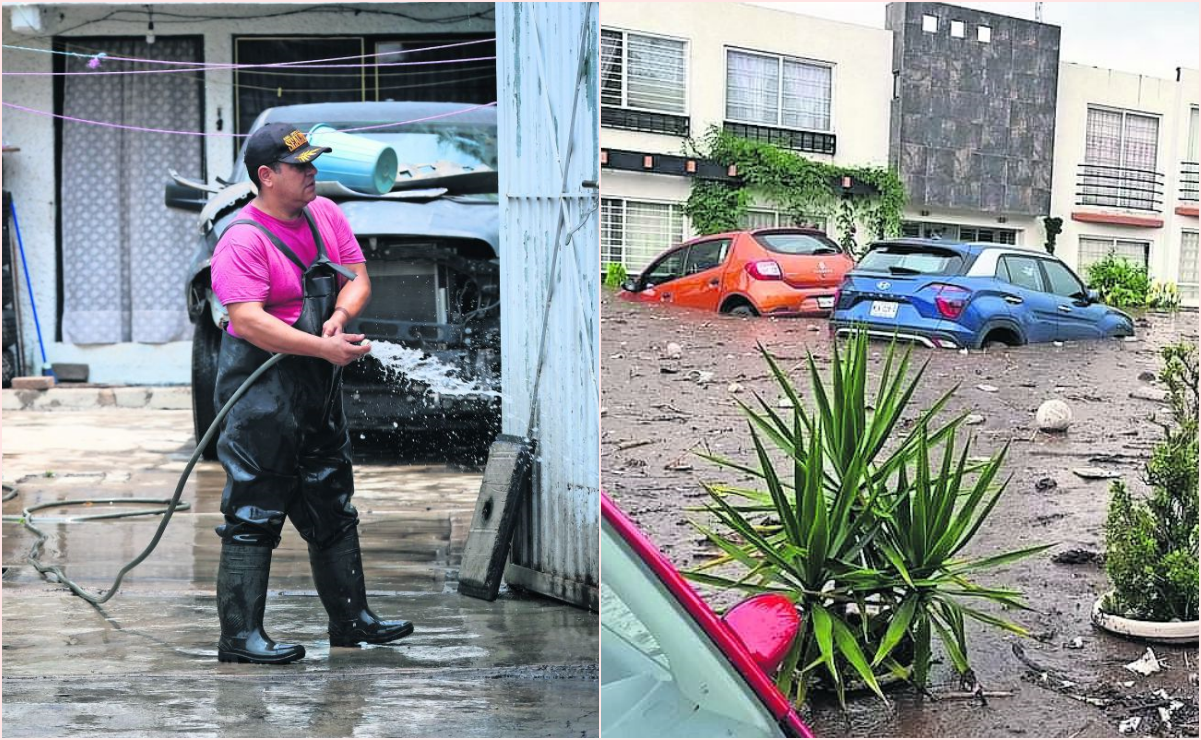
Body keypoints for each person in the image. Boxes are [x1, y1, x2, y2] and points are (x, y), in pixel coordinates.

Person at [208, 122, 412, 664]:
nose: (312, 174)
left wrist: (341, 317)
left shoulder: (324, 216)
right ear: (267, 176)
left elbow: (358, 278)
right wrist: (322, 348)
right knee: (254, 511)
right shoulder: (243, 239)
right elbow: (248, 321)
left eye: (313, 163)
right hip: (260, 393)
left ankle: (352, 622)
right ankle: (240, 639)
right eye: (300, 167)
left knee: (332, 501)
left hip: (317, 389)